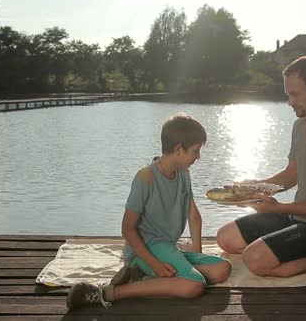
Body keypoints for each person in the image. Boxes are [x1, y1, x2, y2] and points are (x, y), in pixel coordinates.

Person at [216, 55, 306, 278]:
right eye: (288, 95)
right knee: (225, 238)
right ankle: (284, 250)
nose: (290, 102)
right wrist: (253, 189)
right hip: (297, 217)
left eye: (296, 94)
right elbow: (292, 173)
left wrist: (278, 208)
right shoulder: (300, 125)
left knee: (254, 259)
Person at [67, 113, 231, 309]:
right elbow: (127, 229)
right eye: (195, 151)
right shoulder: (146, 177)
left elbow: (194, 217)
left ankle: (146, 277)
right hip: (145, 250)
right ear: (178, 149)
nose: (198, 157)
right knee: (195, 285)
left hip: (168, 247)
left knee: (222, 269)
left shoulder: (183, 175)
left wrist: (196, 253)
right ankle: (108, 292)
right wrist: (154, 263)